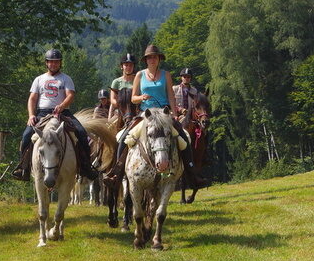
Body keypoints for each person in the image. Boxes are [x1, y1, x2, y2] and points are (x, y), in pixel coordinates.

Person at [104, 45, 206, 187]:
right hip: (145, 114)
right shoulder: (139, 75)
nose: (152, 59)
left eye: (155, 57)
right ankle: (116, 173)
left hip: (164, 113)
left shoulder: (166, 75)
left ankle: (191, 174)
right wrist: (141, 98)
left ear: (159, 59)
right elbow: (133, 98)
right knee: (123, 138)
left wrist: (175, 115)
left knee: (184, 138)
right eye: (150, 57)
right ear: (146, 60)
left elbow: (171, 97)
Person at [11, 49, 98, 181]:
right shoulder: (39, 79)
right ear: (47, 63)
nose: (54, 64)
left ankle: (86, 167)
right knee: (26, 136)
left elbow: (70, 95)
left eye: (56, 62)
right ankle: (23, 168)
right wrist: (31, 115)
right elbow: (32, 99)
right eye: (51, 62)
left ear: (60, 63)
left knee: (81, 132)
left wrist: (62, 106)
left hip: (63, 112)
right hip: (42, 113)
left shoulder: (66, 79)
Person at [109, 52, 139, 123]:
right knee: (110, 126)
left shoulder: (138, 80)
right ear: (122, 66)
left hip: (136, 110)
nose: (128, 67)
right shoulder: (116, 82)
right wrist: (121, 105)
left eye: (131, 65)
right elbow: (112, 99)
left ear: (133, 66)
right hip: (121, 111)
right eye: (126, 65)